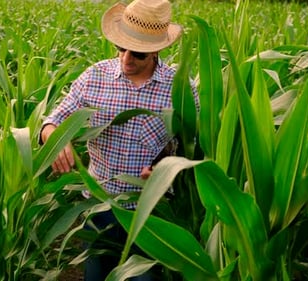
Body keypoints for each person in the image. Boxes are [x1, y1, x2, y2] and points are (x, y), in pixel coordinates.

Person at [40, 0, 198, 279]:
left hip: (150, 213)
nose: (126, 59)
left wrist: (165, 167)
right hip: (99, 207)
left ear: (156, 50)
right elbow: (52, 120)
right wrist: (56, 138)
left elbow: (193, 143)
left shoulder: (180, 89)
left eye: (137, 53)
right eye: (121, 48)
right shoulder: (95, 77)